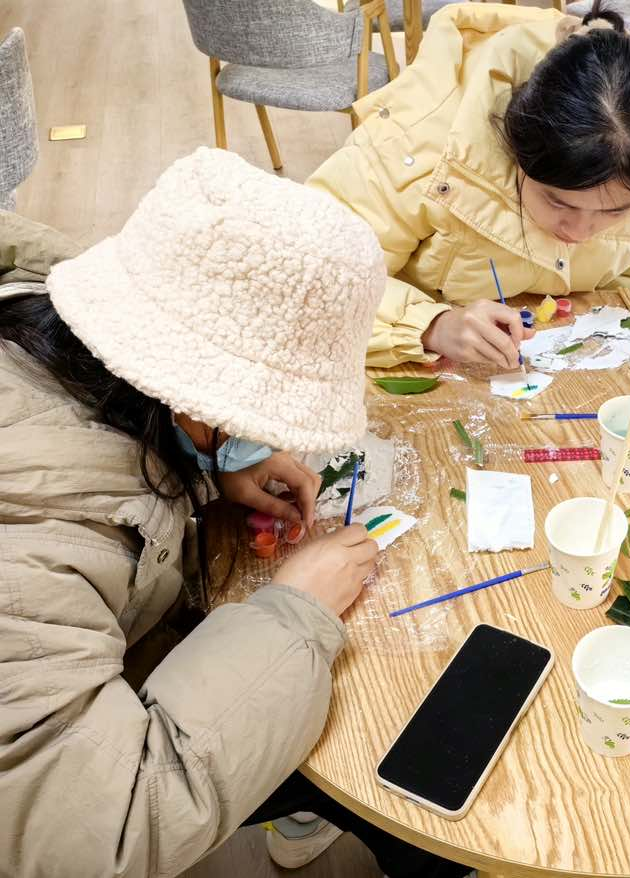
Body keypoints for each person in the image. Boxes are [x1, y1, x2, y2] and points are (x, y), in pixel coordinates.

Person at [0, 149, 468, 877]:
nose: (272, 439)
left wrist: (212, 459)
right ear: (195, 400)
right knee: (401, 767)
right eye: (258, 417)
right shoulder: (34, 543)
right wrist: (294, 612)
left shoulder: (47, 314)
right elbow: (105, 835)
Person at [308, 0, 630, 370]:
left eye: (615, 211)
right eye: (558, 202)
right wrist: (429, 325)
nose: (578, 231)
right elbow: (310, 274)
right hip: (409, 363)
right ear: (514, 146)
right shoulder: (416, 145)